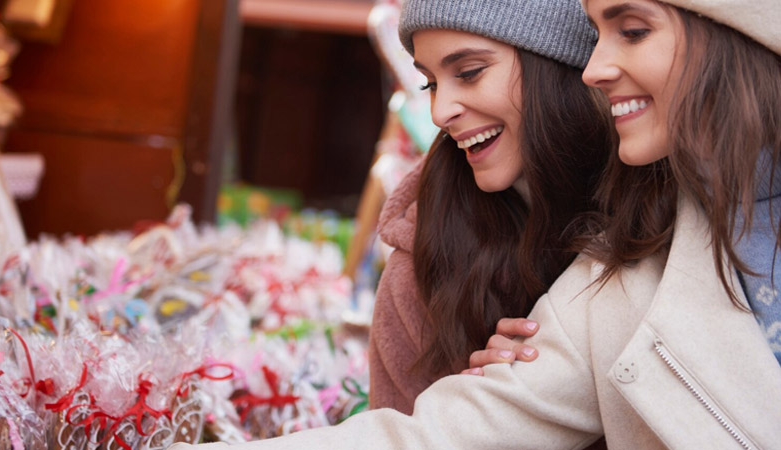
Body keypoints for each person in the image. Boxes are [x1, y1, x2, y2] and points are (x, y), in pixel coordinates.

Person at [171, 0, 781, 448]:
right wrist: (493, 387)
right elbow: (427, 436)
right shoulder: (613, 275)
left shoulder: (653, 224)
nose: (439, 110)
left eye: (634, 31)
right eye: (431, 82)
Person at [367, 0, 613, 416]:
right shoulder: (421, 270)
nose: (440, 112)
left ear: (557, 60)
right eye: (430, 84)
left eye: (468, 72)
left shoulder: (668, 216)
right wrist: (470, 415)